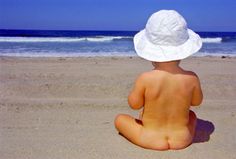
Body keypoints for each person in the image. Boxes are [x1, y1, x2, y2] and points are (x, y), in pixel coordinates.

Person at [114, 10, 203, 150]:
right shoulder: (191, 78)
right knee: (191, 115)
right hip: (182, 139)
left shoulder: (145, 78)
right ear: (182, 51)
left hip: (150, 138)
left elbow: (134, 104)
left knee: (119, 119)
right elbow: (196, 102)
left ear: (150, 52)